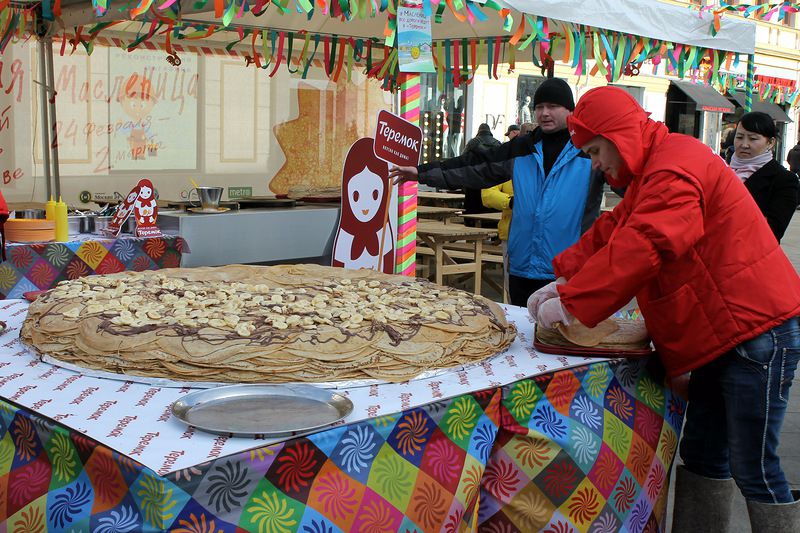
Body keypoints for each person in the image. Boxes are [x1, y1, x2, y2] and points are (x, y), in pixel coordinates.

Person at [527, 86, 800, 532]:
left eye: (595, 150)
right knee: (705, 456)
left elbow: (647, 241)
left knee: (754, 466)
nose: (595, 163)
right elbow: (616, 229)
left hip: (757, 331)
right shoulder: (656, 168)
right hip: (725, 333)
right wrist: (565, 277)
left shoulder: (676, 163)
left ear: (619, 135)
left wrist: (576, 301)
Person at [390, 78, 605, 306]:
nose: (544, 113)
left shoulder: (589, 151)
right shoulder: (522, 148)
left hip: (570, 269)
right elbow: (473, 166)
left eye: (552, 106)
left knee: (562, 338)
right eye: (539, 107)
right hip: (522, 266)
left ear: (570, 110)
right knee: (523, 333)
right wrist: (421, 172)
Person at [729, 112, 799, 241]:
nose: (744, 144)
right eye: (739, 137)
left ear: (770, 142)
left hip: (749, 254)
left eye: (753, 139)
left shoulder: (783, 179)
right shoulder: (722, 169)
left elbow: (774, 230)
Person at [462, 123, 501, 223]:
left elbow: (463, 160)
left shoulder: (472, 143)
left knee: (471, 208)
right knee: (489, 208)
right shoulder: (497, 143)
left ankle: (470, 230)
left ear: (478, 132)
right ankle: (490, 230)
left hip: (474, 180)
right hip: (491, 181)